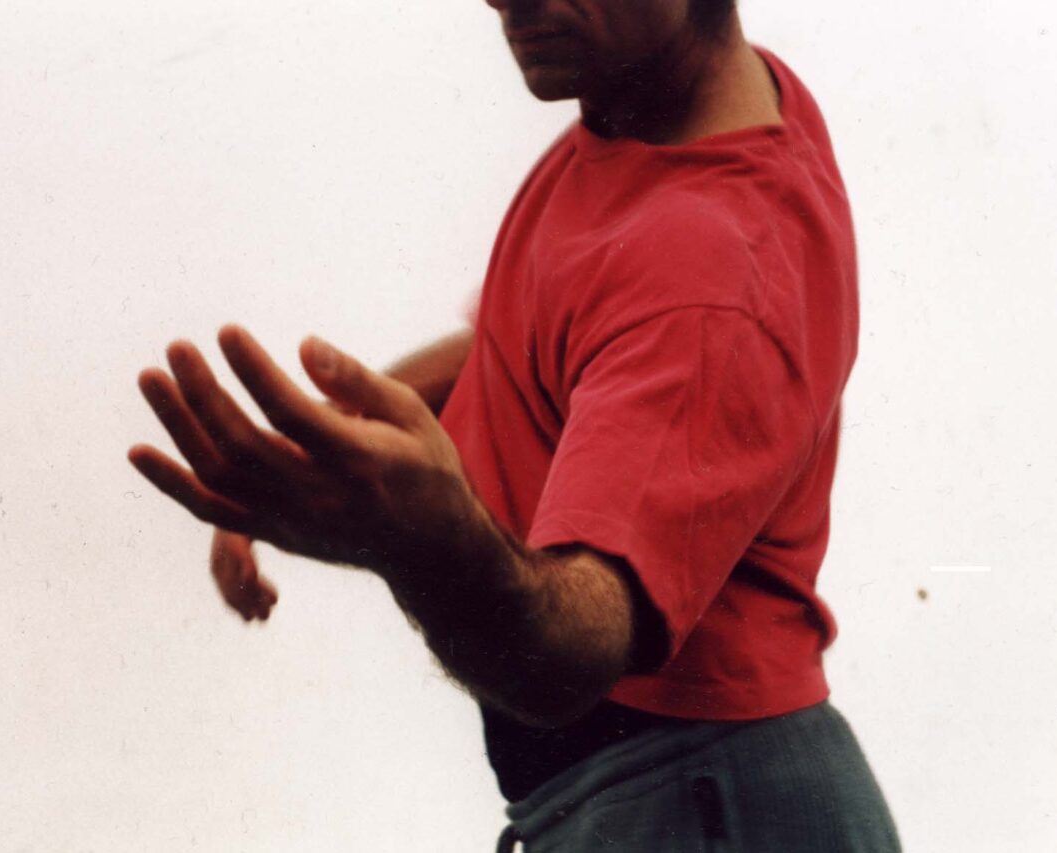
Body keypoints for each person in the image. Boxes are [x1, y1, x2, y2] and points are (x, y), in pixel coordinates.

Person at [128, 0, 903, 848]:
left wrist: (418, 542)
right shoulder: (687, 120)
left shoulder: (709, 275)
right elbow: (559, 338)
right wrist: (325, 438)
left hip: (695, 808)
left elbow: (569, 657)